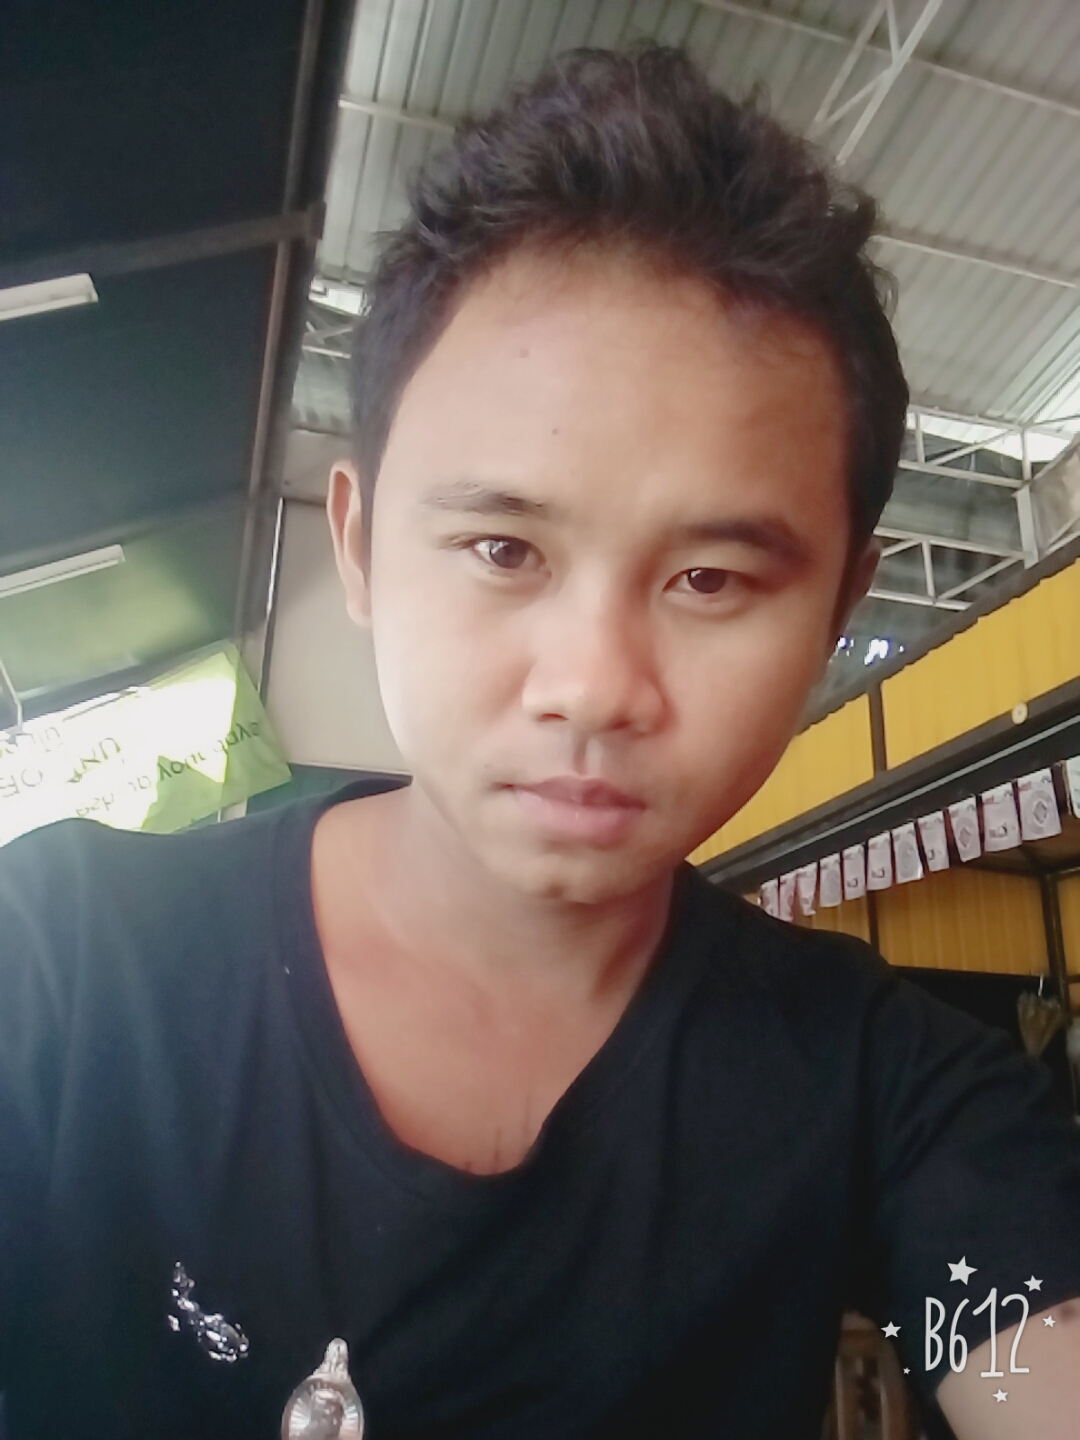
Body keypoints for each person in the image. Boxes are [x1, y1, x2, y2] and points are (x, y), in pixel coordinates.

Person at [1, 41, 1078, 1440]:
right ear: (361, 547)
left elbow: (1019, 1349)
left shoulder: (885, 1092)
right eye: (504, 549)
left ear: (838, 610)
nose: (594, 687)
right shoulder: (61, 977)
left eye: (711, 579)